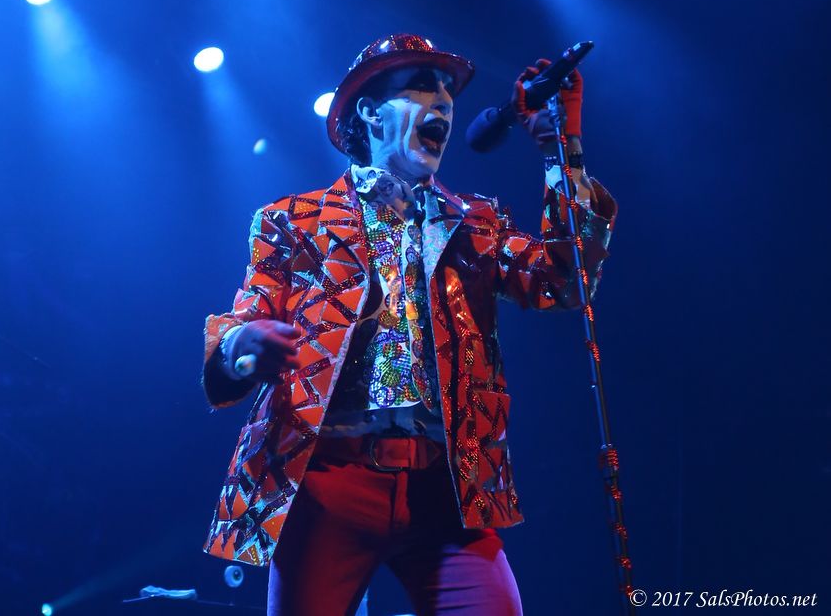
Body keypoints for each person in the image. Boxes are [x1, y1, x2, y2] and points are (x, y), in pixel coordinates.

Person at [201, 34, 616, 615]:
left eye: (448, 91)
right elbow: (245, 318)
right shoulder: (294, 219)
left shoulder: (474, 223)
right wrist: (243, 344)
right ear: (370, 112)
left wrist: (561, 148)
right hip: (328, 479)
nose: (443, 100)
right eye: (421, 85)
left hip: (444, 488)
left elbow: (564, 282)